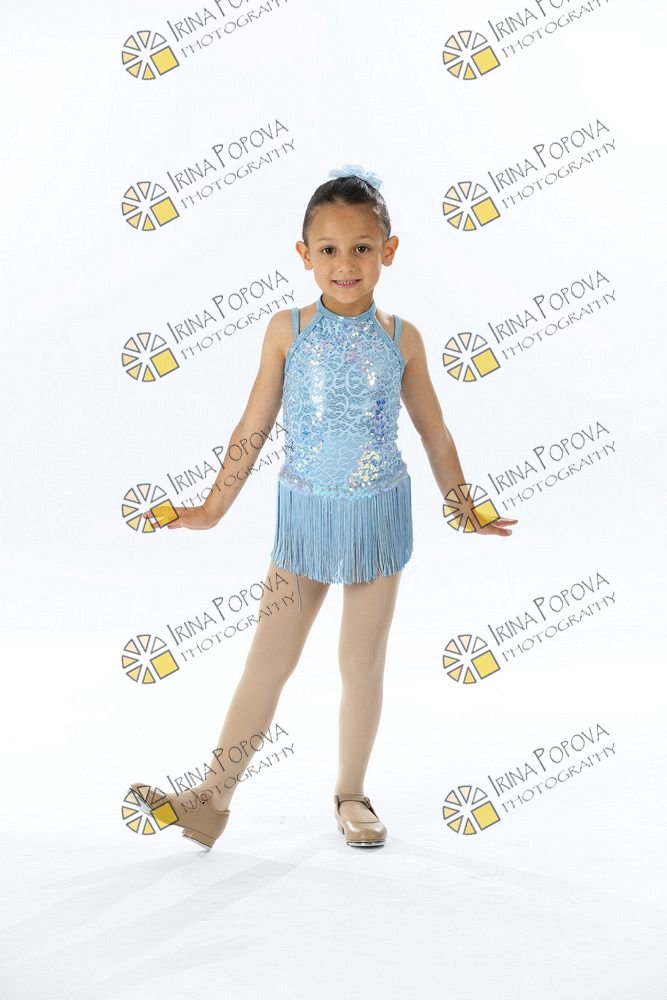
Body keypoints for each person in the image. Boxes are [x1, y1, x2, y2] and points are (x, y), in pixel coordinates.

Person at [130, 164, 518, 851]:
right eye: (330, 249)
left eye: (362, 248)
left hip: (376, 520)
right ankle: (211, 799)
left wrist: (462, 506)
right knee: (267, 661)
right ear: (303, 254)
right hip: (305, 520)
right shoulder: (286, 330)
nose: (346, 264)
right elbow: (252, 426)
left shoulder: (402, 338)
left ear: (388, 251)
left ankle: (351, 794)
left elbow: (434, 433)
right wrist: (212, 509)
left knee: (360, 662)